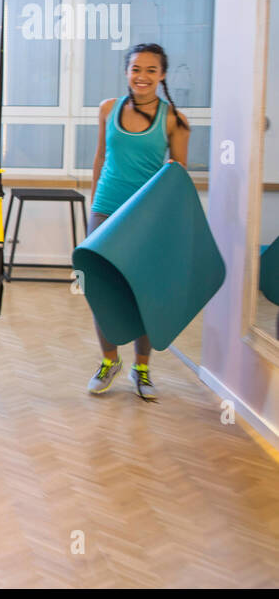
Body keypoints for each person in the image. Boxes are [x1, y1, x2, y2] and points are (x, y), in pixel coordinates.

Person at [85, 42, 190, 401]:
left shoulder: (174, 119)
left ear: (162, 75)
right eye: (135, 69)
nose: (141, 76)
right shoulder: (108, 109)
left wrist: (169, 222)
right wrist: (95, 202)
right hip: (105, 209)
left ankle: (141, 368)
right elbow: (100, 157)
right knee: (101, 290)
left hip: (147, 214)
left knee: (143, 293)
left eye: (150, 70)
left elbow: (177, 176)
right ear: (127, 72)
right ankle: (109, 361)